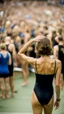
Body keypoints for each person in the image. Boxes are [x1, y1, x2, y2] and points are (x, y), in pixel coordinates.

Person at [18, 35, 61, 114]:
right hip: (49, 94)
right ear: (50, 47)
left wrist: (32, 40)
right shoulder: (57, 63)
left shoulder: (34, 62)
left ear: (38, 48)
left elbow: (20, 53)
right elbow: (57, 85)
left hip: (36, 93)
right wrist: (58, 99)